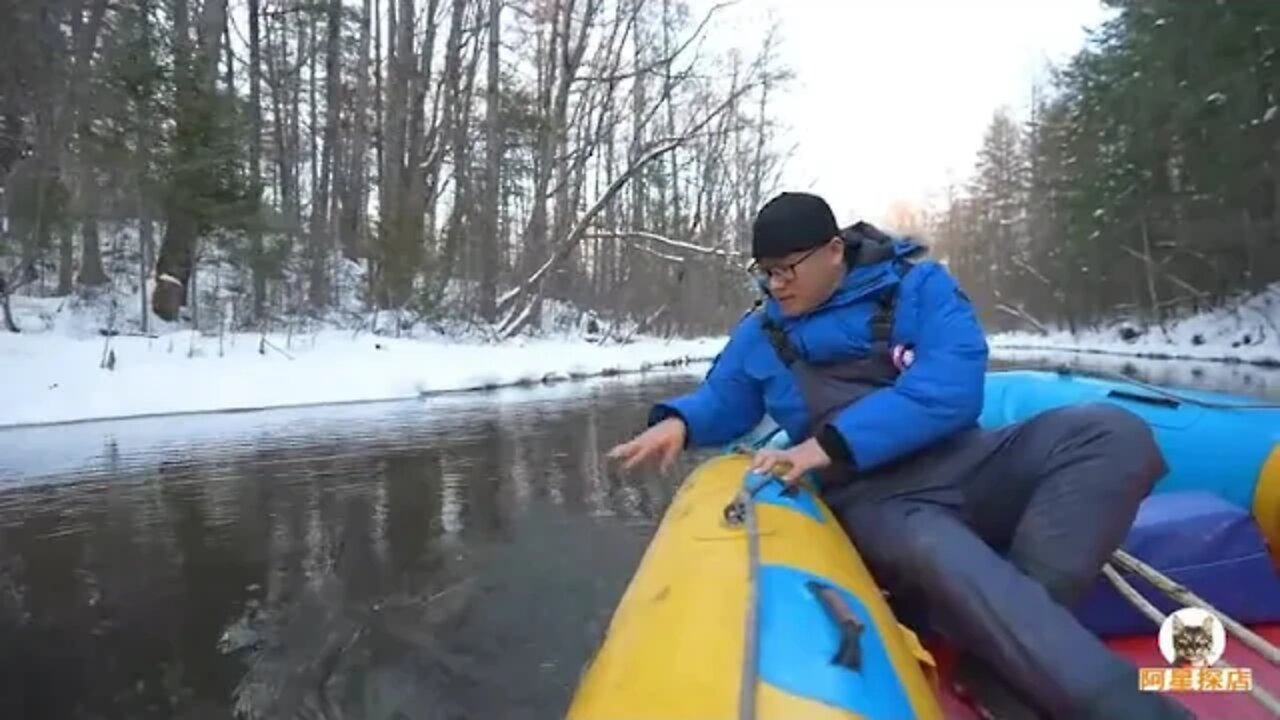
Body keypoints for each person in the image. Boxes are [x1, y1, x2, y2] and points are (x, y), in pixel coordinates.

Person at [607, 191, 1191, 720]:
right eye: (764, 272)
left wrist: (829, 443)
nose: (775, 284)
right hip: (873, 498)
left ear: (833, 251)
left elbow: (952, 385)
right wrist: (681, 421)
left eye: (786, 268)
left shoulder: (920, 289)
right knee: (942, 551)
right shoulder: (761, 333)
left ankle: (1003, 661)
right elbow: (725, 398)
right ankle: (1122, 706)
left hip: (969, 461)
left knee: (1111, 433)